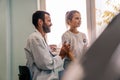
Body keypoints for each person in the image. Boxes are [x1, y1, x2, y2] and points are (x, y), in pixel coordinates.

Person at [24, 10, 71, 80]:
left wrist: (49, 49)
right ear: (40, 22)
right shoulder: (35, 38)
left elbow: (45, 59)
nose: (51, 24)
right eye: (49, 21)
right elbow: (47, 64)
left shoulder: (40, 38)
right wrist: (61, 55)